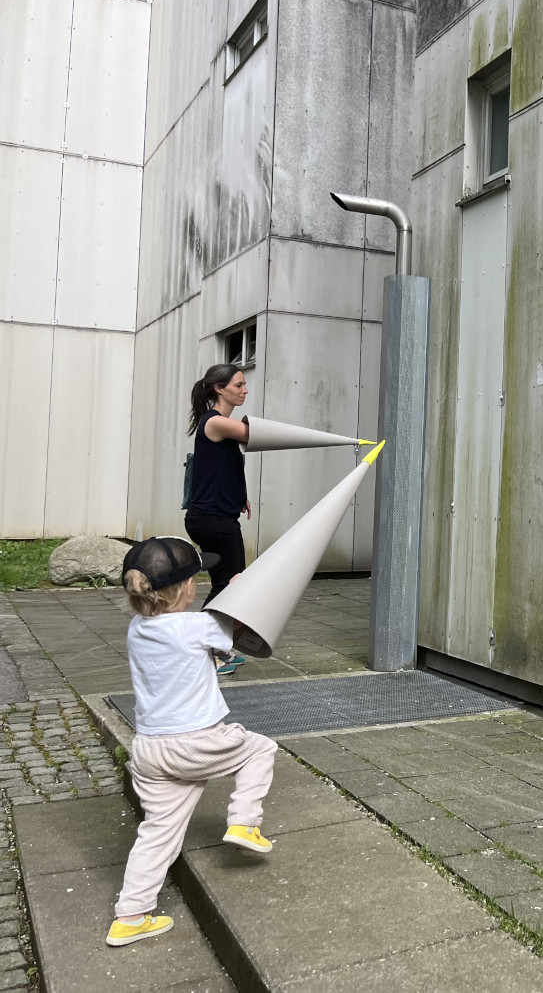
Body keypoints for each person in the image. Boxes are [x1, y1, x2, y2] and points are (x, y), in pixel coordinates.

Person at [107, 537, 276, 947]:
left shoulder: (137, 629)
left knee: (159, 831)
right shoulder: (199, 626)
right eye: (196, 579)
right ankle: (243, 822)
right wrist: (241, 589)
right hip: (195, 741)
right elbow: (232, 626)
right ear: (185, 588)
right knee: (260, 749)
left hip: (149, 749)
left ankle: (130, 915)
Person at [185, 365, 251, 674]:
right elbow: (253, 434)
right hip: (213, 521)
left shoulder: (216, 424)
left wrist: (240, 496)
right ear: (219, 389)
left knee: (228, 584)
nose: (244, 390)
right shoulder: (216, 423)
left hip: (215, 517)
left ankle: (218, 648)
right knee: (228, 585)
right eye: (238, 385)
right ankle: (206, 650)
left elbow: (221, 469)